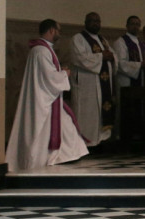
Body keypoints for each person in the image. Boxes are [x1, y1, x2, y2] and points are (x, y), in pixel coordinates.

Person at [6, 19, 89, 170]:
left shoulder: (43, 49)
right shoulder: (41, 51)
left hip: (48, 98)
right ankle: (44, 158)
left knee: (67, 125)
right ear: (51, 30)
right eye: (58, 30)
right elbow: (49, 78)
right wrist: (65, 73)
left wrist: (61, 73)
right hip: (43, 100)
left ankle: (65, 155)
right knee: (42, 131)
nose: (60, 33)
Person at [69, 12, 116, 147]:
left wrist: (112, 57)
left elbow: (113, 55)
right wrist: (102, 57)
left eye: (98, 21)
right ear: (85, 22)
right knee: (86, 114)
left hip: (102, 85)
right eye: (92, 21)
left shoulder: (103, 40)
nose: (95, 23)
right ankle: (83, 143)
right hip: (87, 86)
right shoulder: (78, 39)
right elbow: (79, 58)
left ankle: (101, 141)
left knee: (100, 113)